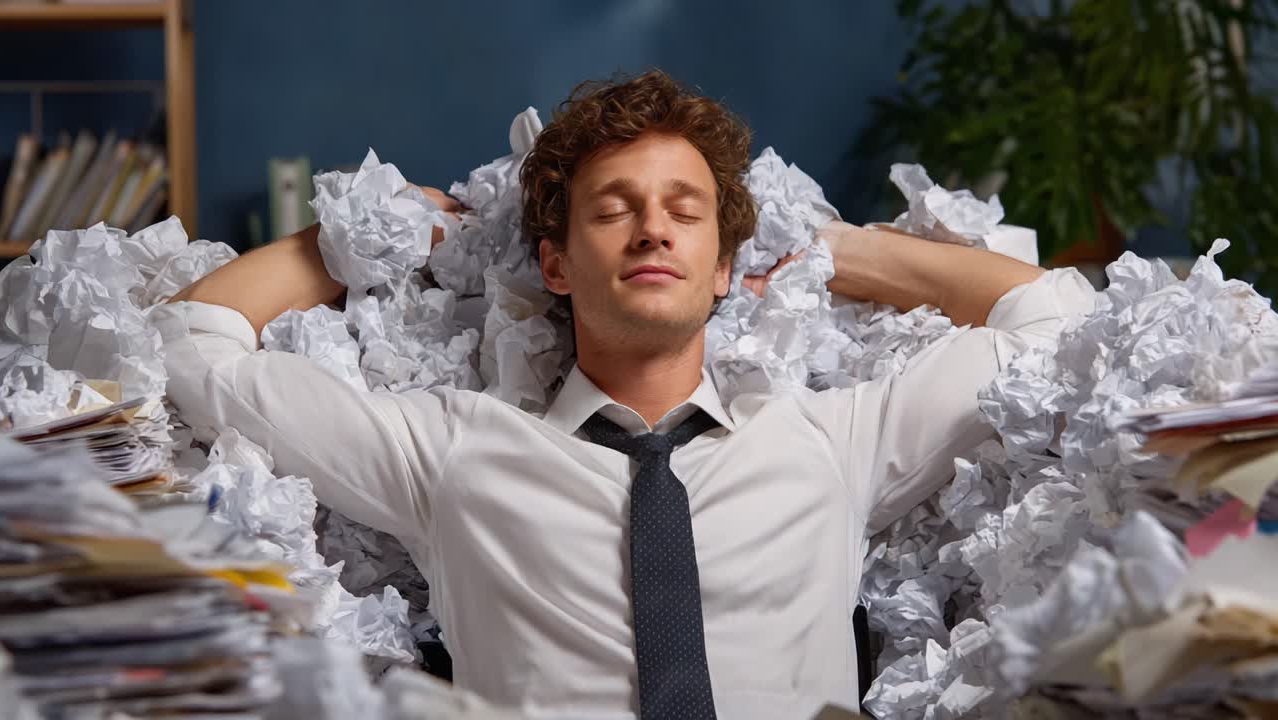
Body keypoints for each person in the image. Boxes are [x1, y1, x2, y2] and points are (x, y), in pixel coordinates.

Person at [155, 70, 1095, 719]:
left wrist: (835, 250)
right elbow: (193, 350)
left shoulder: (836, 442)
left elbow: (1047, 320)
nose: (652, 229)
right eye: (613, 209)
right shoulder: (449, 455)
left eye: (686, 213)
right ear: (556, 265)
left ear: (724, 268)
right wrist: (371, 238)